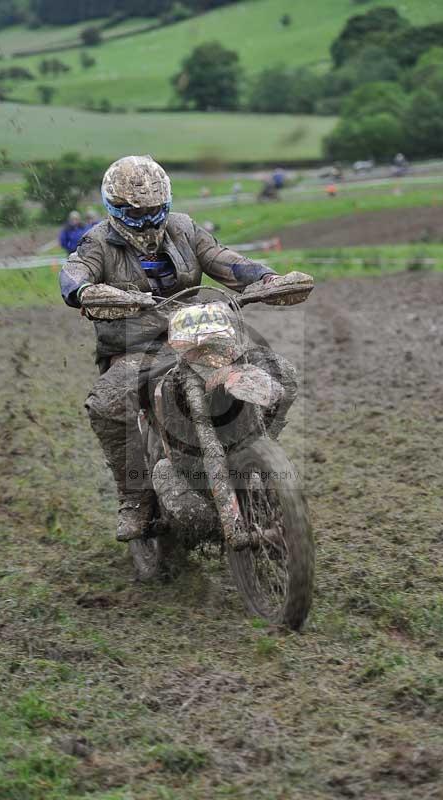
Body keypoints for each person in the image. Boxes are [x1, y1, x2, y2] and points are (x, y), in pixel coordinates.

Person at [59, 155, 296, 543]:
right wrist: (85, 290)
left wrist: (268, 279)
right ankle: (135, 498)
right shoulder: (96, 242)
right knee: (107, 405)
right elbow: (74, 273)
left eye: (155, 209)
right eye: (136, 212)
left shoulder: (184, 228)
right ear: (114, 208)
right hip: (136, 346)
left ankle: (255, 451)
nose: (147, 219)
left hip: (197, 337)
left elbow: (226, 261)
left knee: (280, 373)